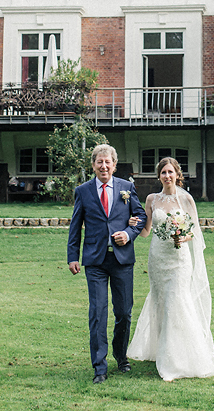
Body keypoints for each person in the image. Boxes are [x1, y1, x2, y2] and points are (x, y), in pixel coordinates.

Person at [128, 157, 214, 381]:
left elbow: (195, 232)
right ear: (158, 176)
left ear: (177, 174)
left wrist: (182, 236)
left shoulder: (186, 199)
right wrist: (134, 224)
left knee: (176, 302)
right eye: (163, 173)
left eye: (170, 172)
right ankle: (161, 351)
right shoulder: (152, 199)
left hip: (179, 260)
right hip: (157, 258)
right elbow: (147, 231)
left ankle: (179, 359)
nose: (167, 176)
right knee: (160, 302)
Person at [67, 144, 147, 384]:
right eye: (99, 162)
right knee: (98, 313)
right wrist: (73, 256)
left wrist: (129, 234)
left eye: (108, 162)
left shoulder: (126, 187)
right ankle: (99, 367)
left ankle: (121, 356)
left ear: (114, 165)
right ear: (93, 165)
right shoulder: (83, 191)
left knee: (123, 312)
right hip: (95, 260)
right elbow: (75, 225)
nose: (104, 166)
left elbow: (141, 216)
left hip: (122, 260)